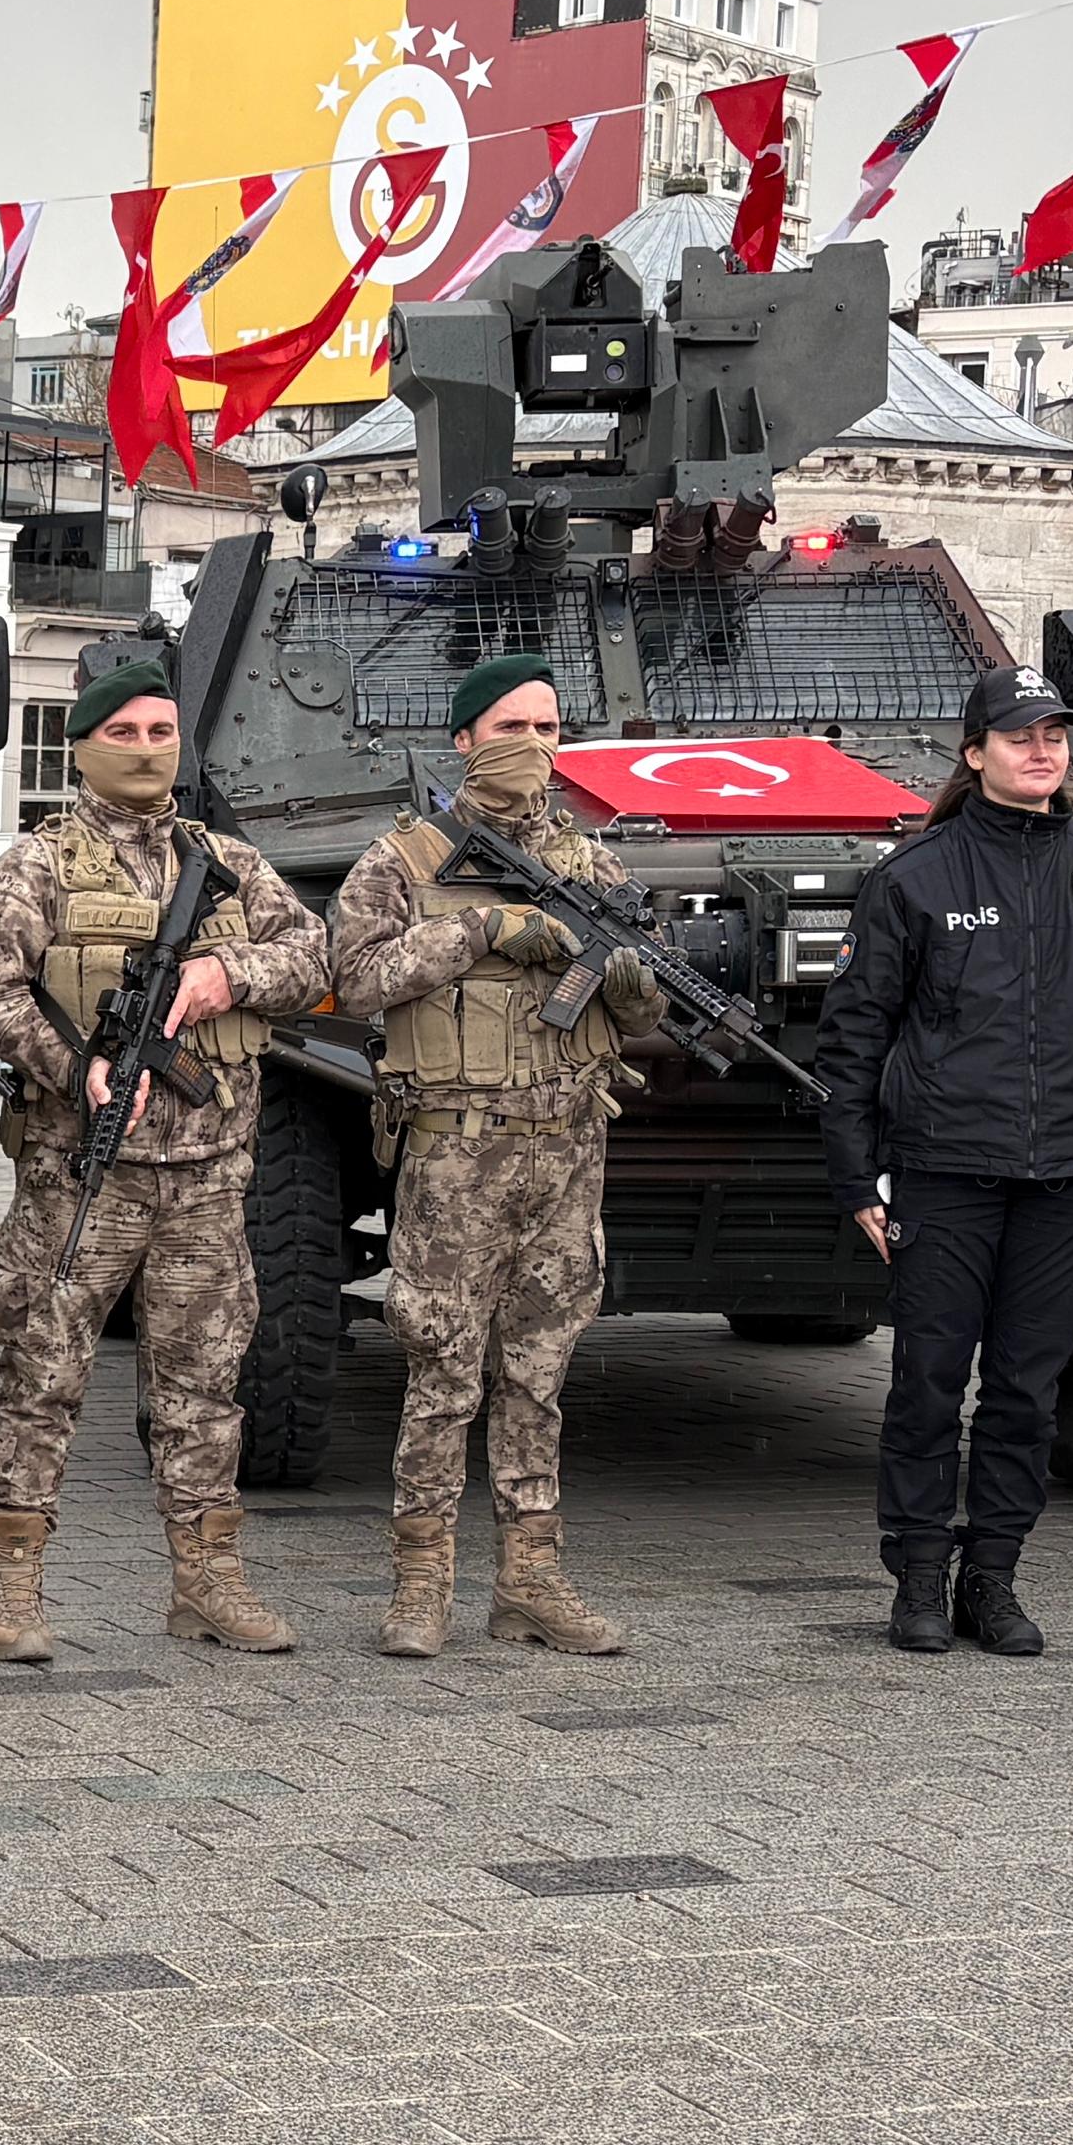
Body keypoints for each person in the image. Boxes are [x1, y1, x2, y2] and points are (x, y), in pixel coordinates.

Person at [0, 657, 330, 1662]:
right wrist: (67, 1067)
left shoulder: (228, 861)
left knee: (203, 1389)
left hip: (207, 1176)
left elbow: (314, 957)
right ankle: (13, 1590)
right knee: (41, 1379)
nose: (145, 750)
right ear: (82, 748)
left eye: (160, 732)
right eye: (122, 734)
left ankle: (207, 1581)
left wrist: (225, 974)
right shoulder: (35, 867)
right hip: (82, 1174)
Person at [816, 662, 1073, 1659]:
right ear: (973, 754)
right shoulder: (914, 877)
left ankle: (994, 1577)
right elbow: (853, 1036)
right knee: (928, 1384)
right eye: (1019, 735)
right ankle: (918, 1577)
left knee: (1026, 1392)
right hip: (943, 1173)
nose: (1041, 751)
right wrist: (857, 1172)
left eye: (1055, 735)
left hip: (1071, 1177)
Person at [325, 652, 665, 1657]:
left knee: (538, 1376)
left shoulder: (592, 865)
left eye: (548, 729)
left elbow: (642, 1012)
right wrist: (479, 928)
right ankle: (420, 1584)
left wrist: (632, 982)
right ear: (465, 739)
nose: (532, 746)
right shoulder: (404, 860)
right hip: (455, 1163)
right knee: (441, 1372)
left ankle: (530, 1580)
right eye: (511, 728)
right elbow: (352, 979)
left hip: (564, 1159)